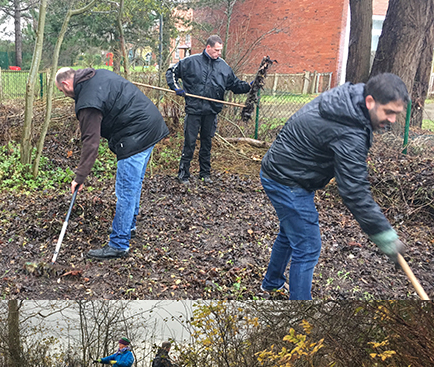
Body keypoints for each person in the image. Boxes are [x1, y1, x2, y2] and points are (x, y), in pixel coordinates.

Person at [260, 72, 409, 300]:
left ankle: (271, 283)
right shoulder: (350, 131)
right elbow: (354, 191)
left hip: (288, 169)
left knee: (292, 233)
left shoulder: (351, 100)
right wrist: (385, 237)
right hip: (287, 178)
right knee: (308, 245)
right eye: (388, 112)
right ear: (370, 101)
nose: (392, 120)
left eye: (396, 114)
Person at [55, 67, 169, 260]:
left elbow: (90, 142)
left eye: (61, 90)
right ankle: (127, 226)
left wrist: (80, 177)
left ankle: (119, 243)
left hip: (135, 135)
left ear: (66, 84)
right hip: (150, 126)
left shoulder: (88, 101)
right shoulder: (96, 74)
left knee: (125, 191)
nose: (64, 94)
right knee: (133, 186)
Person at [165, 35, 251, 184]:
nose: (218, 53)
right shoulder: (191, 62)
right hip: (194, 110)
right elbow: (171, 72)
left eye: (220, 51)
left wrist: (250, 86)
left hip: (211, 111)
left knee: (207, 143)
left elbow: (235, 85)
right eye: (216, 50)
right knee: (190, 142)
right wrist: (176, 88)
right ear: (208, 47)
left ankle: (205, 174)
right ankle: (183, 174)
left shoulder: (223, 67)